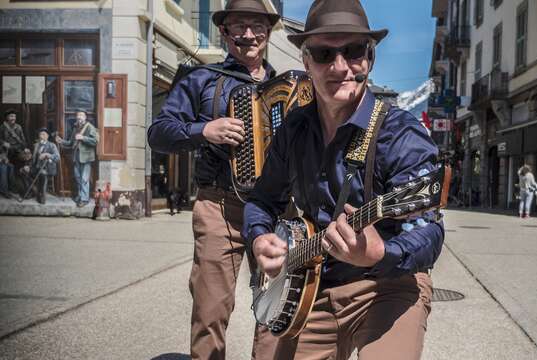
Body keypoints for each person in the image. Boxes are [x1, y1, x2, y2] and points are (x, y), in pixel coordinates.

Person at [243, 1, 445, 359]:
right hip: (308, 286)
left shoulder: (400, 134)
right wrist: (261, 240)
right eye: (324, 53)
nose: (341, 67)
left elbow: (429, 231)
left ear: (370, 58)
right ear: (306, 63)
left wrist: (380, 252)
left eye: (353, 51)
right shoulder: (294, 128)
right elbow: (262, 200)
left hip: (385, 285)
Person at [147, 0, 280, 358]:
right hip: (219, 205)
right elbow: (159, 132)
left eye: (256, 26)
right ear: (223, 32)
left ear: (268, 32)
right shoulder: (200, 80)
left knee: (276, 310)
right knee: (210, 308)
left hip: (277, 213)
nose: (248, 35)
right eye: (238, 26)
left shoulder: (289, 88)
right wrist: (204, 129)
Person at [56, 111, 99, 207]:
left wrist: (83, 137)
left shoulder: (90, 127)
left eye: (81, 115)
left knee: (84, 179)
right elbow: (71, 142)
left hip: (86, 157)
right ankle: (80, 196)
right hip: (77, 157)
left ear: (85, 117)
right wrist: (61, 141)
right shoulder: (76, 128)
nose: (79, 117)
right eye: (77, 116)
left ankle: (84, 199)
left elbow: (95, 141)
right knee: (78, 178)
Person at [31, 128, 60, 204]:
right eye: (40, 134)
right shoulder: (36, 145)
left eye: (43, 134)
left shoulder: (52, 145)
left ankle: (42, 196)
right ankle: (34, 192)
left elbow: (57, 157)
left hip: (47, 168)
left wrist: (47, 154)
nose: (41, 136)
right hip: (36, 167)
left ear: (47, 136)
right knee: (23, 171)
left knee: (42, 174)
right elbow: (33, 158)